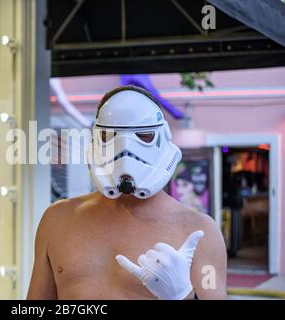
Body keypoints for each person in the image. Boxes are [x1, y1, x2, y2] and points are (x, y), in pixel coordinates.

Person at [27, 86, 227, 300]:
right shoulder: (58, 220)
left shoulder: (199, 231)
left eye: (144, 136)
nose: (125, 150)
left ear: (163, 138)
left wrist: (183, 296)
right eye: (109, 135)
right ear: (95, 139)